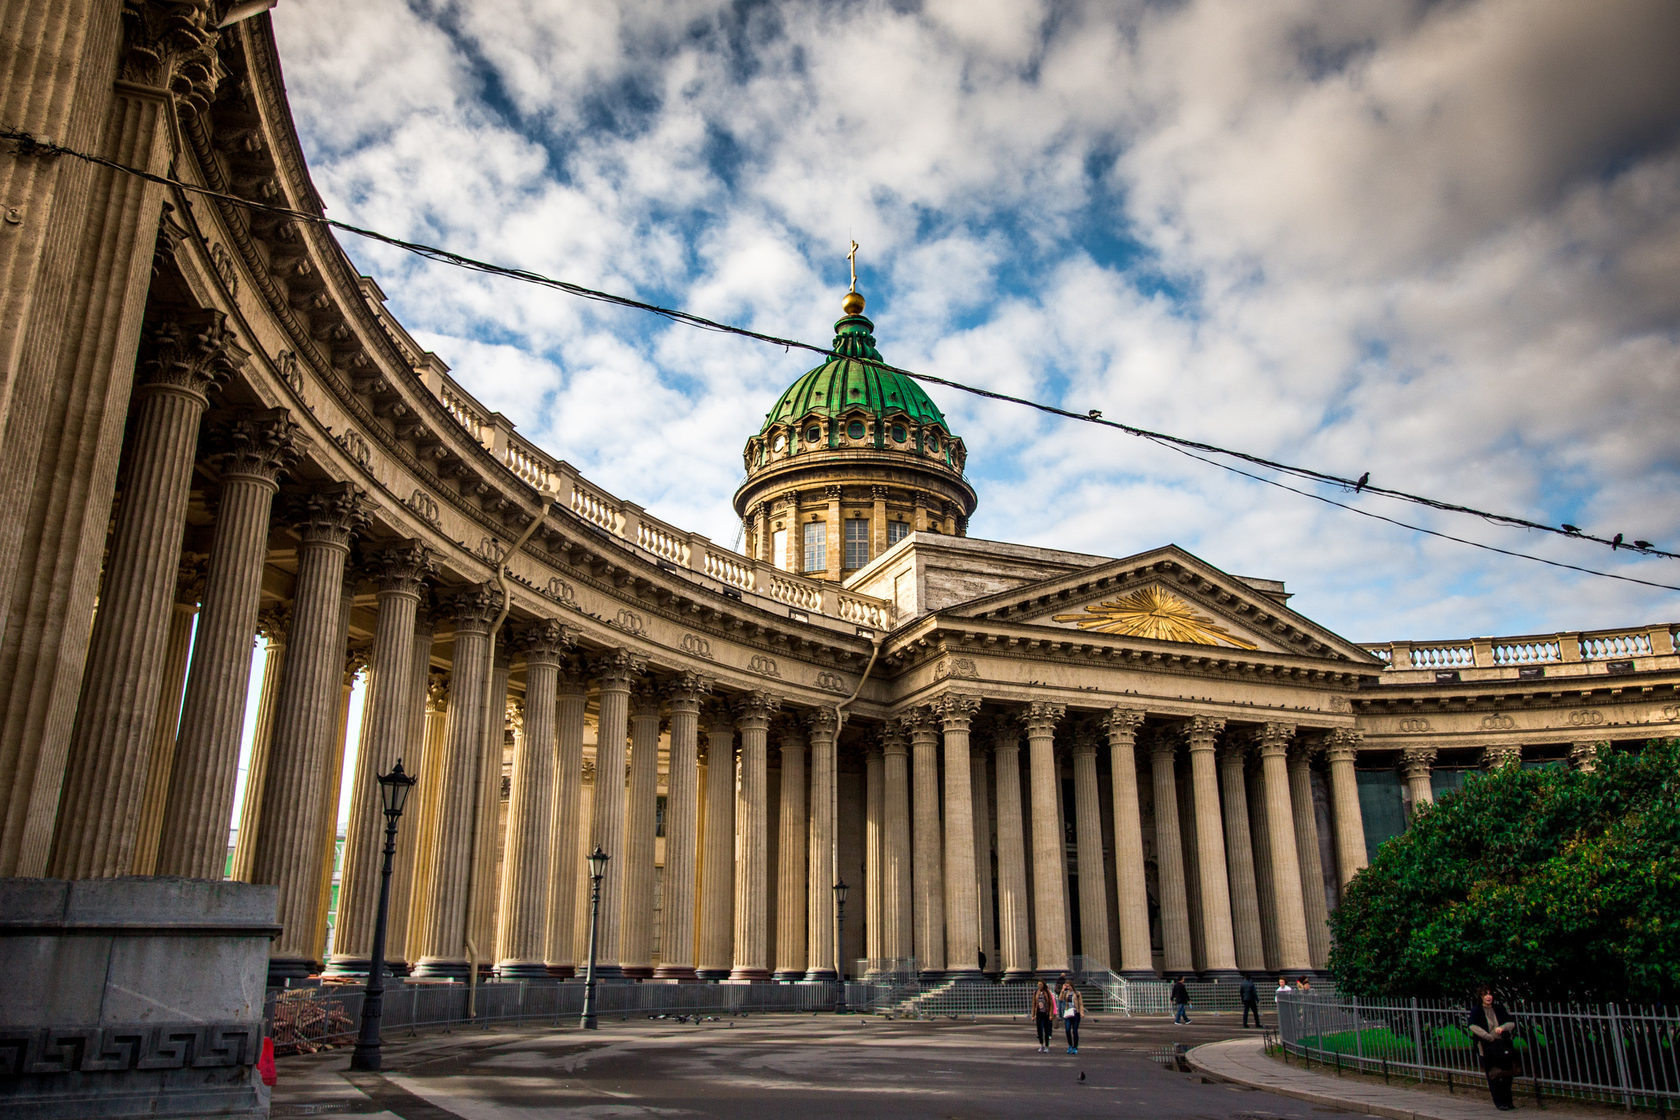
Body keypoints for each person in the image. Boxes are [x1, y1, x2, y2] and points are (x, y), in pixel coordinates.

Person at [1468, 986, 1519, 1111]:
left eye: (1490, 994)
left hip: (1502, 1046)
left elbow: (1511, 1023)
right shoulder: (1477, 1010)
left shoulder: (1499, 1008)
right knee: (1494, 1074)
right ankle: (1499, 1101)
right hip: (1487, 1047)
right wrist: (1488, 1037)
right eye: (1485, 994)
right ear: (1481, 997)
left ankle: (1508, 1100)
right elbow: (1473, 1026)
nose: (1488, 997)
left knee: (1507, 1073)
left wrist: (1503, 1027)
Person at [1059, 979, 1084, 1054]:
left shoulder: (1077, 993)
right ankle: (1070, 1045)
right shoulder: (1066, 993)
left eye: (1068, 986)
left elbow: (1080, 1004)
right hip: (1068, 1013)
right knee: (1067, 1030)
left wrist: (1081, 1012)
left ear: (1071, 985)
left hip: (1076, 1013)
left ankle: (1075, 1047)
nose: (1068, 987)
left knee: (1075, 1031)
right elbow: (1060, 999)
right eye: (1066, 986)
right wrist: (1062, 990)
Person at [1032, 980, 1056, 1053]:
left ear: (1043, 985)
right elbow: (1034, 1004)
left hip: (1046, 1013)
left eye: (1040, 984)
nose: (1039, 986)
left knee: (1046, 1030)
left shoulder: (1047, 992)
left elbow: (1051, 1004)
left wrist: (1051, 1015)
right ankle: (1041, 1045)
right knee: (1039, 1030)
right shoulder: (1036, 992)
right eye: (1038, 984)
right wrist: (1033, 1015)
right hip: (1039, 1013)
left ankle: (1047, 1046)